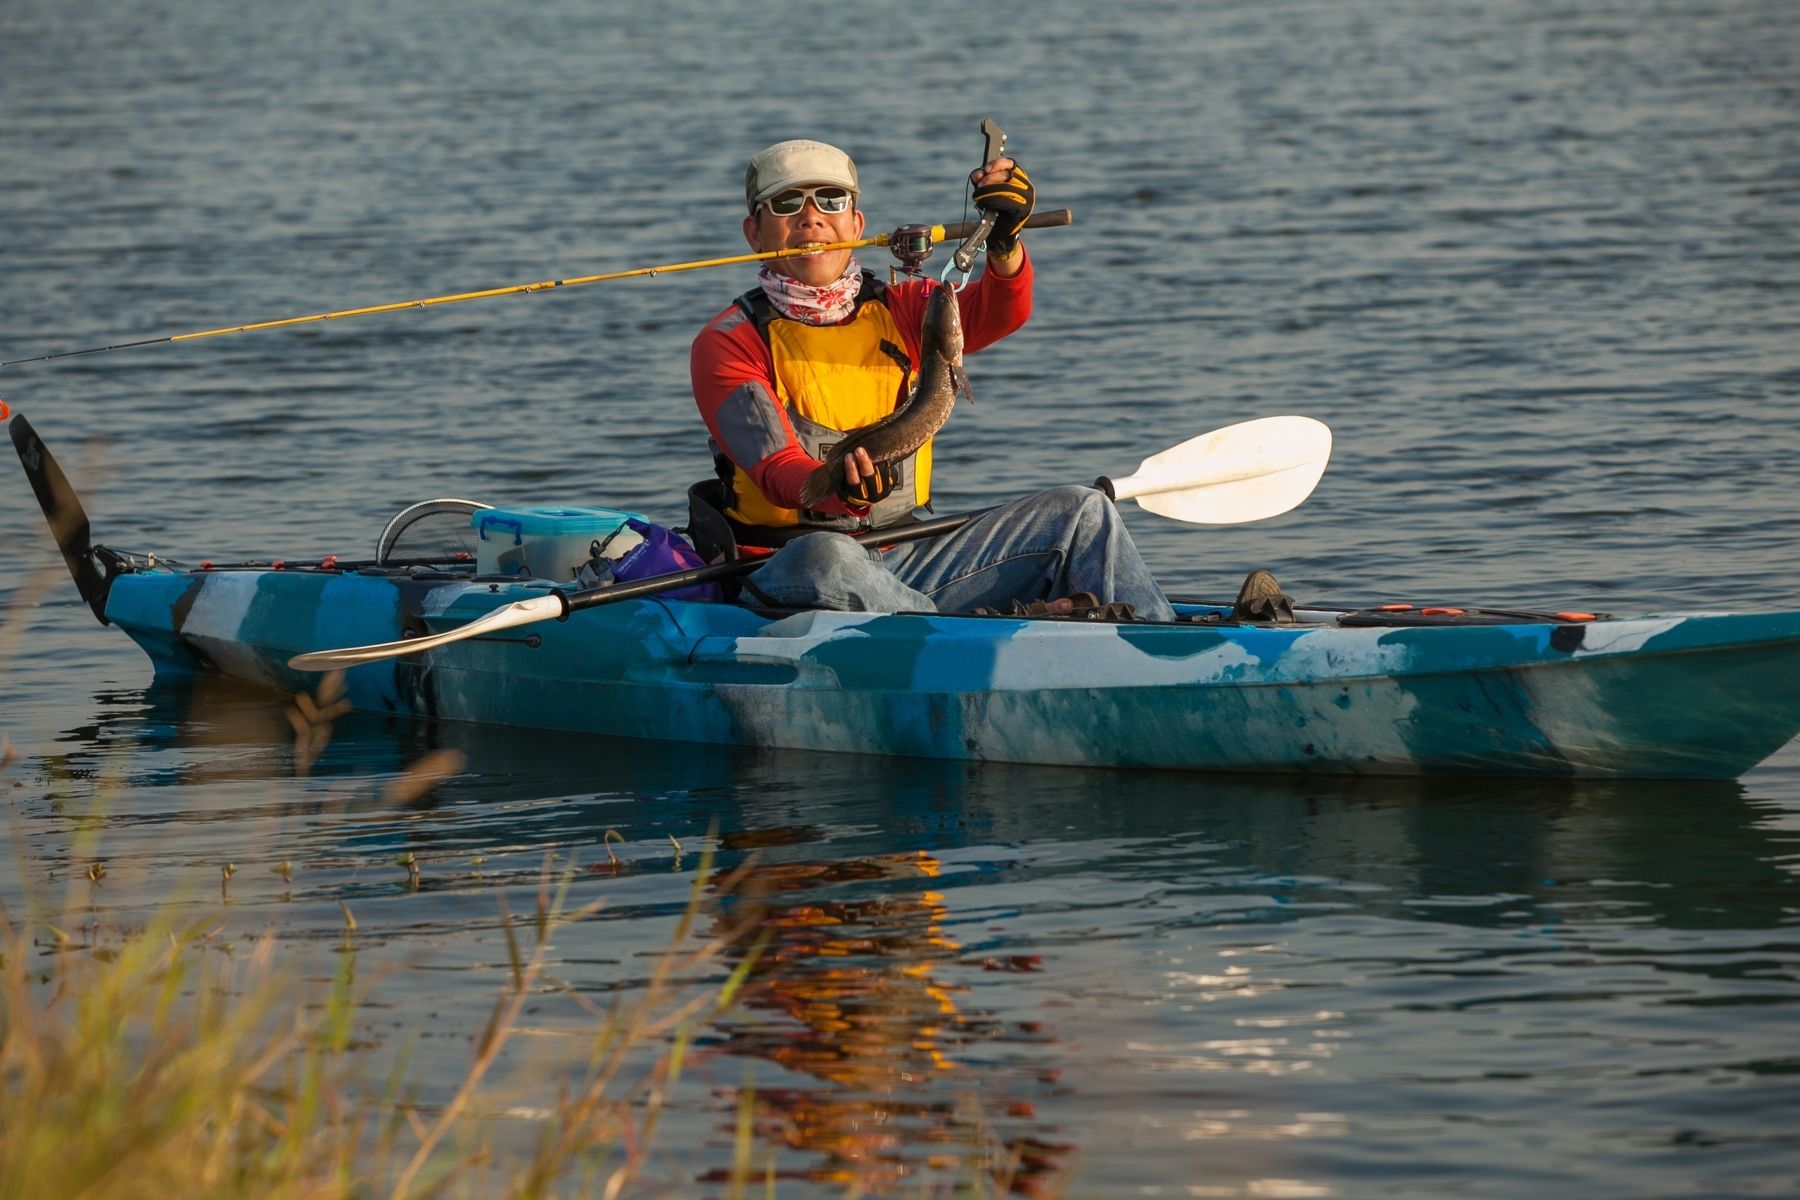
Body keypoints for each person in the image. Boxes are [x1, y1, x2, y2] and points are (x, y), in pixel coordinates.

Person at [689, 137, 1176, 622]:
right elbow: (777, 471)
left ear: (856, 223)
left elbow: (1000, 312)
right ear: (755, 232)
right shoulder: (728, 342)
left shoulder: (909, 304)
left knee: (1083, 511)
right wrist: (846, 488)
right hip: (789, 569)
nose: (811, 217)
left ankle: (1158, 641)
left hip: (908, 555)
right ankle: (978, 630)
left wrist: (1004, 243)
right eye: (786, 203)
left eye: (831, 200)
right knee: (828, 558)